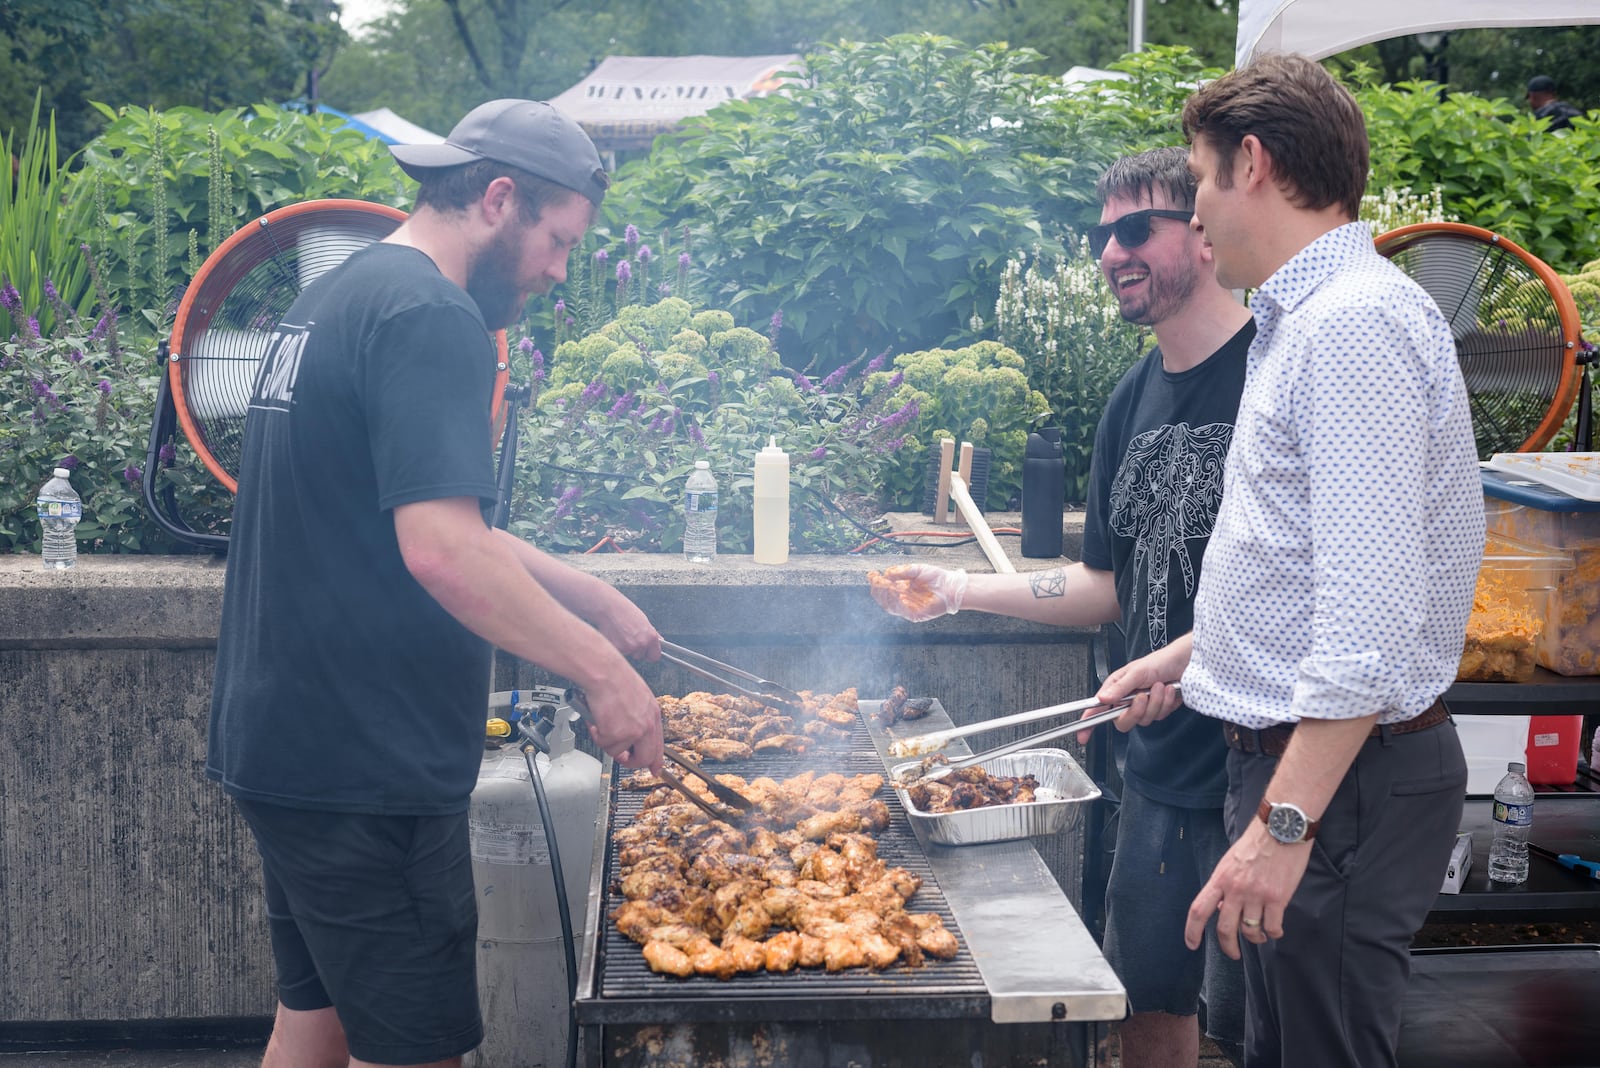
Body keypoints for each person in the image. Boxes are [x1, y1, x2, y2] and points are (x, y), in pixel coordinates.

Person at [207, 99, 666, 1068]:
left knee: (317, 1022)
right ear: (499, 198)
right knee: (414, 1051)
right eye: (557, 241)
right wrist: (603, 676)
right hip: (366, 766)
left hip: (290, 746)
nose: (557, 271)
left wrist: (587, 597)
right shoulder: (433, 317)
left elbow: (436, 518)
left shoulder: (345, 292)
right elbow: (442, 552)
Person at [1098, 55, 1484, 1068]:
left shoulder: (1351, 325)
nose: (1197, 214)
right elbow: (1305, 563)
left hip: (1336, 785)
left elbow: (1369, 619)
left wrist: (1283, 823)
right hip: (1305, 774)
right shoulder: (1305, 317)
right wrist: (1189, 657)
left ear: (1252, 164)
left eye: (1199, 183)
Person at [871, 146, 1253, 1068]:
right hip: (1157, 766)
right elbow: (1107, 589)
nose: (1112, 252)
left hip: (1260, 764)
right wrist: (957, 590)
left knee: (1265, 1028)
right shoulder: (1131, 399)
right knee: (1149, 1007)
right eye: (1100, 234)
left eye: (1135, 228)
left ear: (1202, 228)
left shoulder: (1271, 375)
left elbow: (1301, 590)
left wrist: (1191, 663)